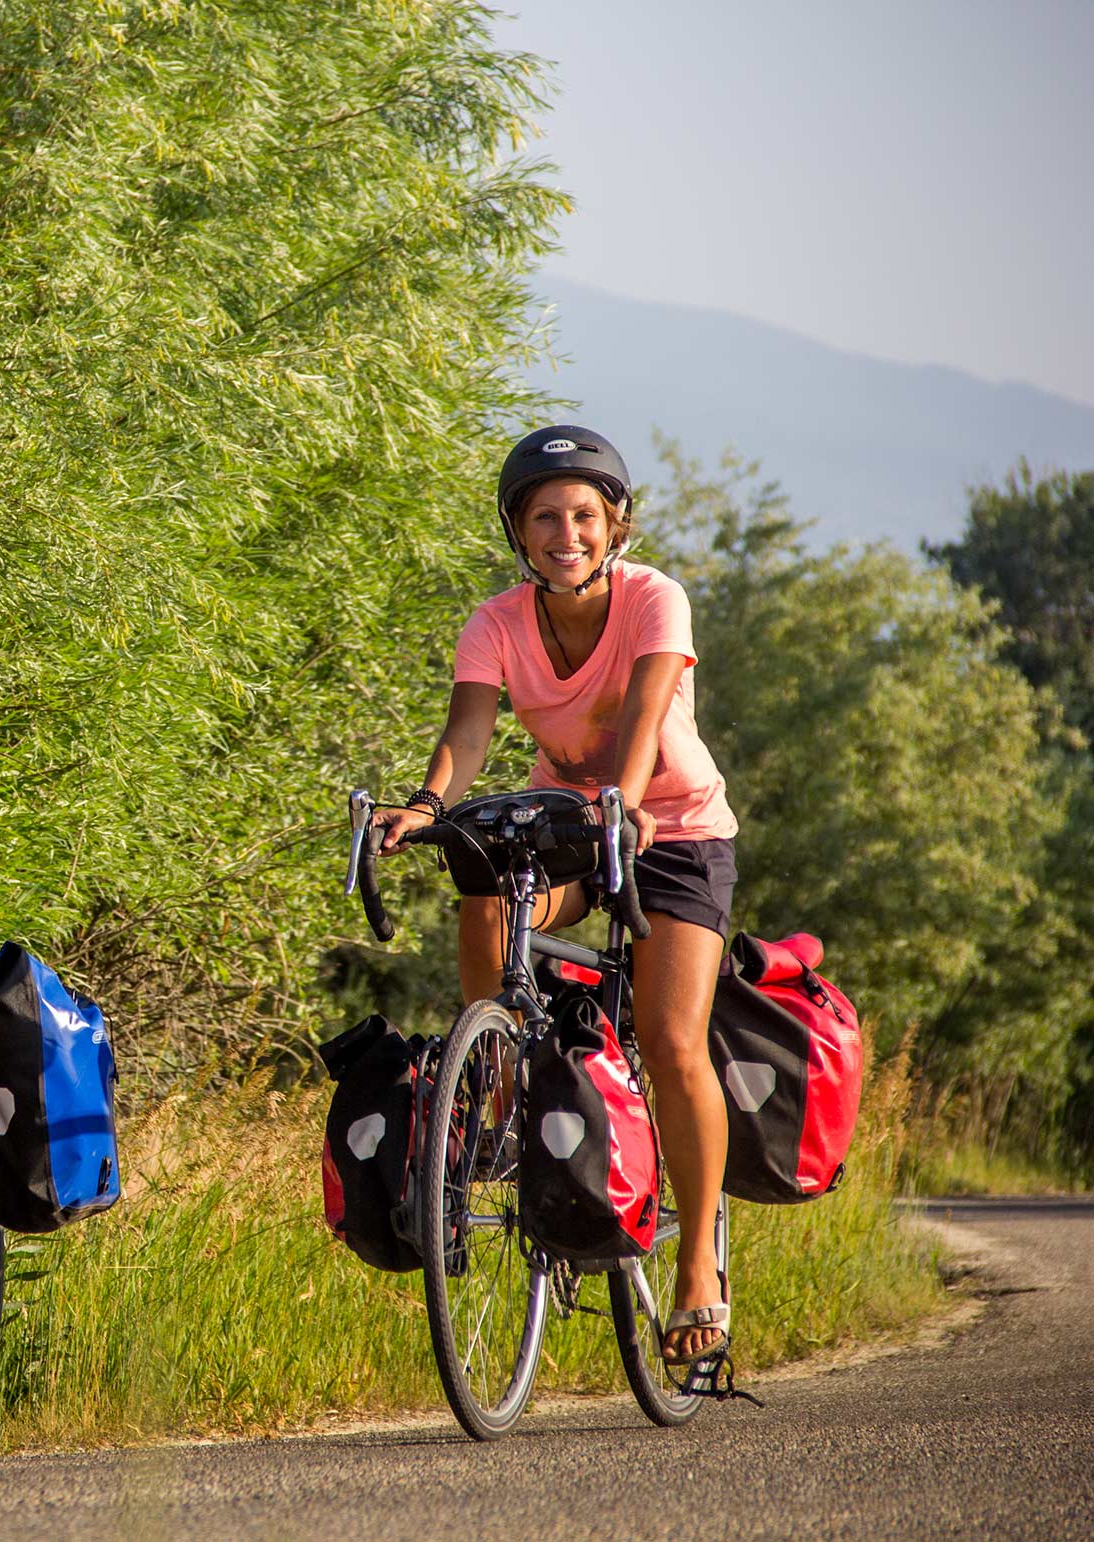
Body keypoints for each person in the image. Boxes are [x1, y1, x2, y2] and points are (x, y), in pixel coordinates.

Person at [372, 425, 739, 1370]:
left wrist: (625, 800)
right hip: (571, 827)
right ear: (518, 531)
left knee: (668, 1040)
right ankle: (490, 1077)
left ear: (615, 523)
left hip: (677, 834)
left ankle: (698, 1259)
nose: (564, 532)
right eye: (545, 517)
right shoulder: (496, 623)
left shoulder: (656, 599)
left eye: (584, 515)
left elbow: (648, 718)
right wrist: (424, 806)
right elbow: (467, 729)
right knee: (485, 897)